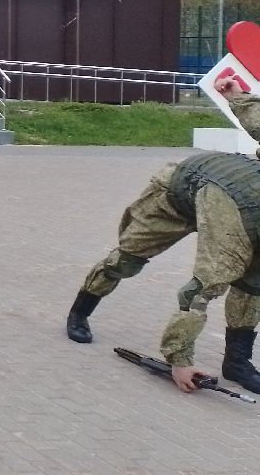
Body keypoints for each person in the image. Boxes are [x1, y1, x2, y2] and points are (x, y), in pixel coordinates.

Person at [63, 78, 260, 394]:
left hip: (226, 201)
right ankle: (80, 311)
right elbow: (198, 292)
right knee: (129, 259)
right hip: (182, 192)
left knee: (253, 286)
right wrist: (179, 359)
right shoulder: (237, 223)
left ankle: (237, 362)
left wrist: (238, 96)